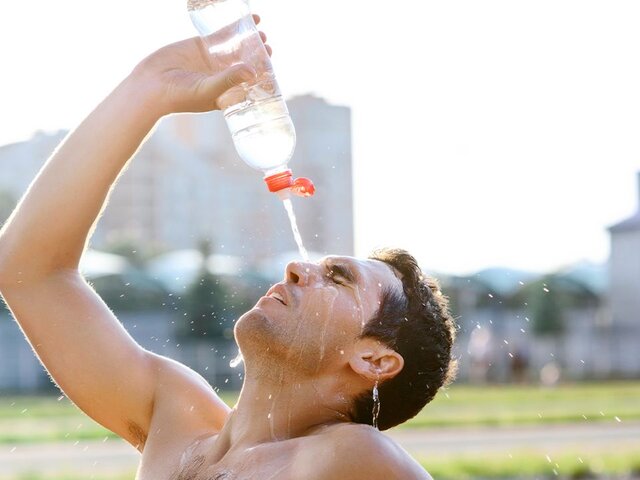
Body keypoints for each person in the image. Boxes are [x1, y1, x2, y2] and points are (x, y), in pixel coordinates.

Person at [0, 17, 457, 479]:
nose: (297, 268)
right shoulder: (175, 420)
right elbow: (29, 271)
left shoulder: (353, 455)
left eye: (339, 278)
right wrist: (149, 88)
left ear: (374, 360)